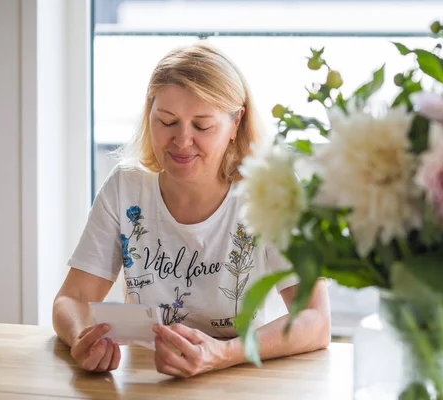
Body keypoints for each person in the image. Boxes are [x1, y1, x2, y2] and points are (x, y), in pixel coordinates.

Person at [52, 42, 331, 377]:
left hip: (246, 377)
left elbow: (315, 320)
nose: (182, 141)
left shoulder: (272, 190)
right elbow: (71, 299)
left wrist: (222, 353)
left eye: (202, 126)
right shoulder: (126, 187)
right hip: (150, 377)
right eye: (167, 121)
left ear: (236, 123)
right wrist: (81, 337)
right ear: (149, 114)